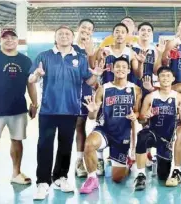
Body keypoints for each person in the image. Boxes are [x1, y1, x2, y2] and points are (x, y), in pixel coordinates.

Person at [28, 25, 105, 200]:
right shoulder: (44, 56)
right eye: (60, 34)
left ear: (72, 38)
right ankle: (43, 182)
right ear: (55, 38)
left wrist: (98, 75)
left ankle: (61, 177)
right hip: (48, 109)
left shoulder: (80, 58)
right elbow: (31, 78)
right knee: (45, 145)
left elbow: (90, 80)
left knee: (65, 145)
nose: (64, 36)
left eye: (67, 34)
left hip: (70, 109)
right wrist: (37, 75)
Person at [0, 28, 38, 192]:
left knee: (17, 141)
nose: (9, 40)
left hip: (18, 109)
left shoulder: (25, 60)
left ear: (18, 40)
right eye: (5, 38)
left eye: (12, 37)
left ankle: (16, 173)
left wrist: (34, 103)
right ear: (0, 40)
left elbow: (30, 84)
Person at [79, 57, 142, 193]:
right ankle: (92, 178)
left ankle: (127, 163)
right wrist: (93, 110)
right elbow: (92, 117)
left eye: (124, 67)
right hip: (105, 130)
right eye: (117, 66)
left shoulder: (135, 89)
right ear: (112, 69)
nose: (120, 69)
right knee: (89, 144)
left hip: (122, 134)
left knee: (117, 178)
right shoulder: (103, 89)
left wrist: (135, 116)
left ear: (129, 70)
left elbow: (137, 112)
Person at [133, 67, 181, 190]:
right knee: (142, 135)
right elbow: (141, 120)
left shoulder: (179, 97)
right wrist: (146, 117)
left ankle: (162, 162)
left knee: (163, 176)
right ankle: (141, 174)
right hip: (154, 134)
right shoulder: (150, 97)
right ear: (158, 79)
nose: (165, 78)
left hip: (168, 140)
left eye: (168, 75)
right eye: (162, 76)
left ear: (173, 79)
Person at [72, 18, 96, 178]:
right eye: (84, 28)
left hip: (85, 92)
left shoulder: (93, 50)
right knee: (67, 128)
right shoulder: (69, 47)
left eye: (89, 29)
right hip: (68, 92)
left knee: (81, 125)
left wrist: (90, 53)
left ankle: (81, 160)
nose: (86, 30)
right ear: (78, 29)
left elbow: (94, 72)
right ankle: (66, 163)